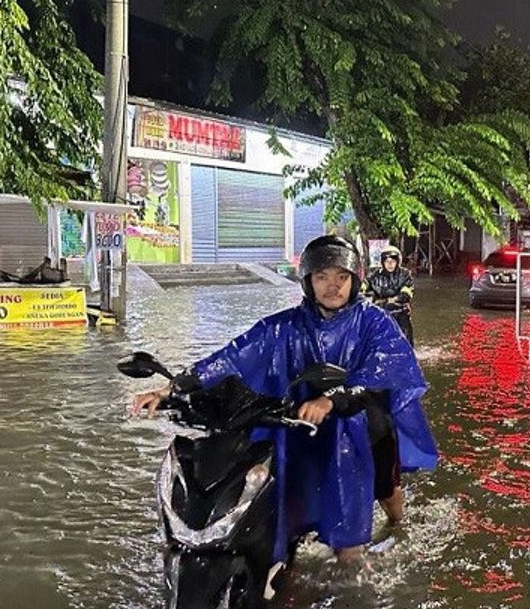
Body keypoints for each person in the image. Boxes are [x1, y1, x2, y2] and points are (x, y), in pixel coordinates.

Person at [131, 235, 437, 565]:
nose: (332, 286)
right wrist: (174, 387)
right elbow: (233, 356)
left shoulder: (375, 322)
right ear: (308, 282)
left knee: (368, 517)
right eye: (322, 277)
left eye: (341, 277)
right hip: (299, 426)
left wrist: (332, 399)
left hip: (362, 428)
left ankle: (395, 527)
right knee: (286, 506)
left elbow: (383, 370)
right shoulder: (285, 326)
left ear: (355, 280)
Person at [362, 245, 415, 346]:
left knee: (406, 343)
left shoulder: (405, 274)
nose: (390, 264)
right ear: (382, 262)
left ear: (397, 262)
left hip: (400, 314)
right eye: (387, 261)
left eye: (393, 261)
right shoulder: (374, 276)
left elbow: (406, 294)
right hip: (380, 314)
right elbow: (362, 290)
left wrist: (390, 300)